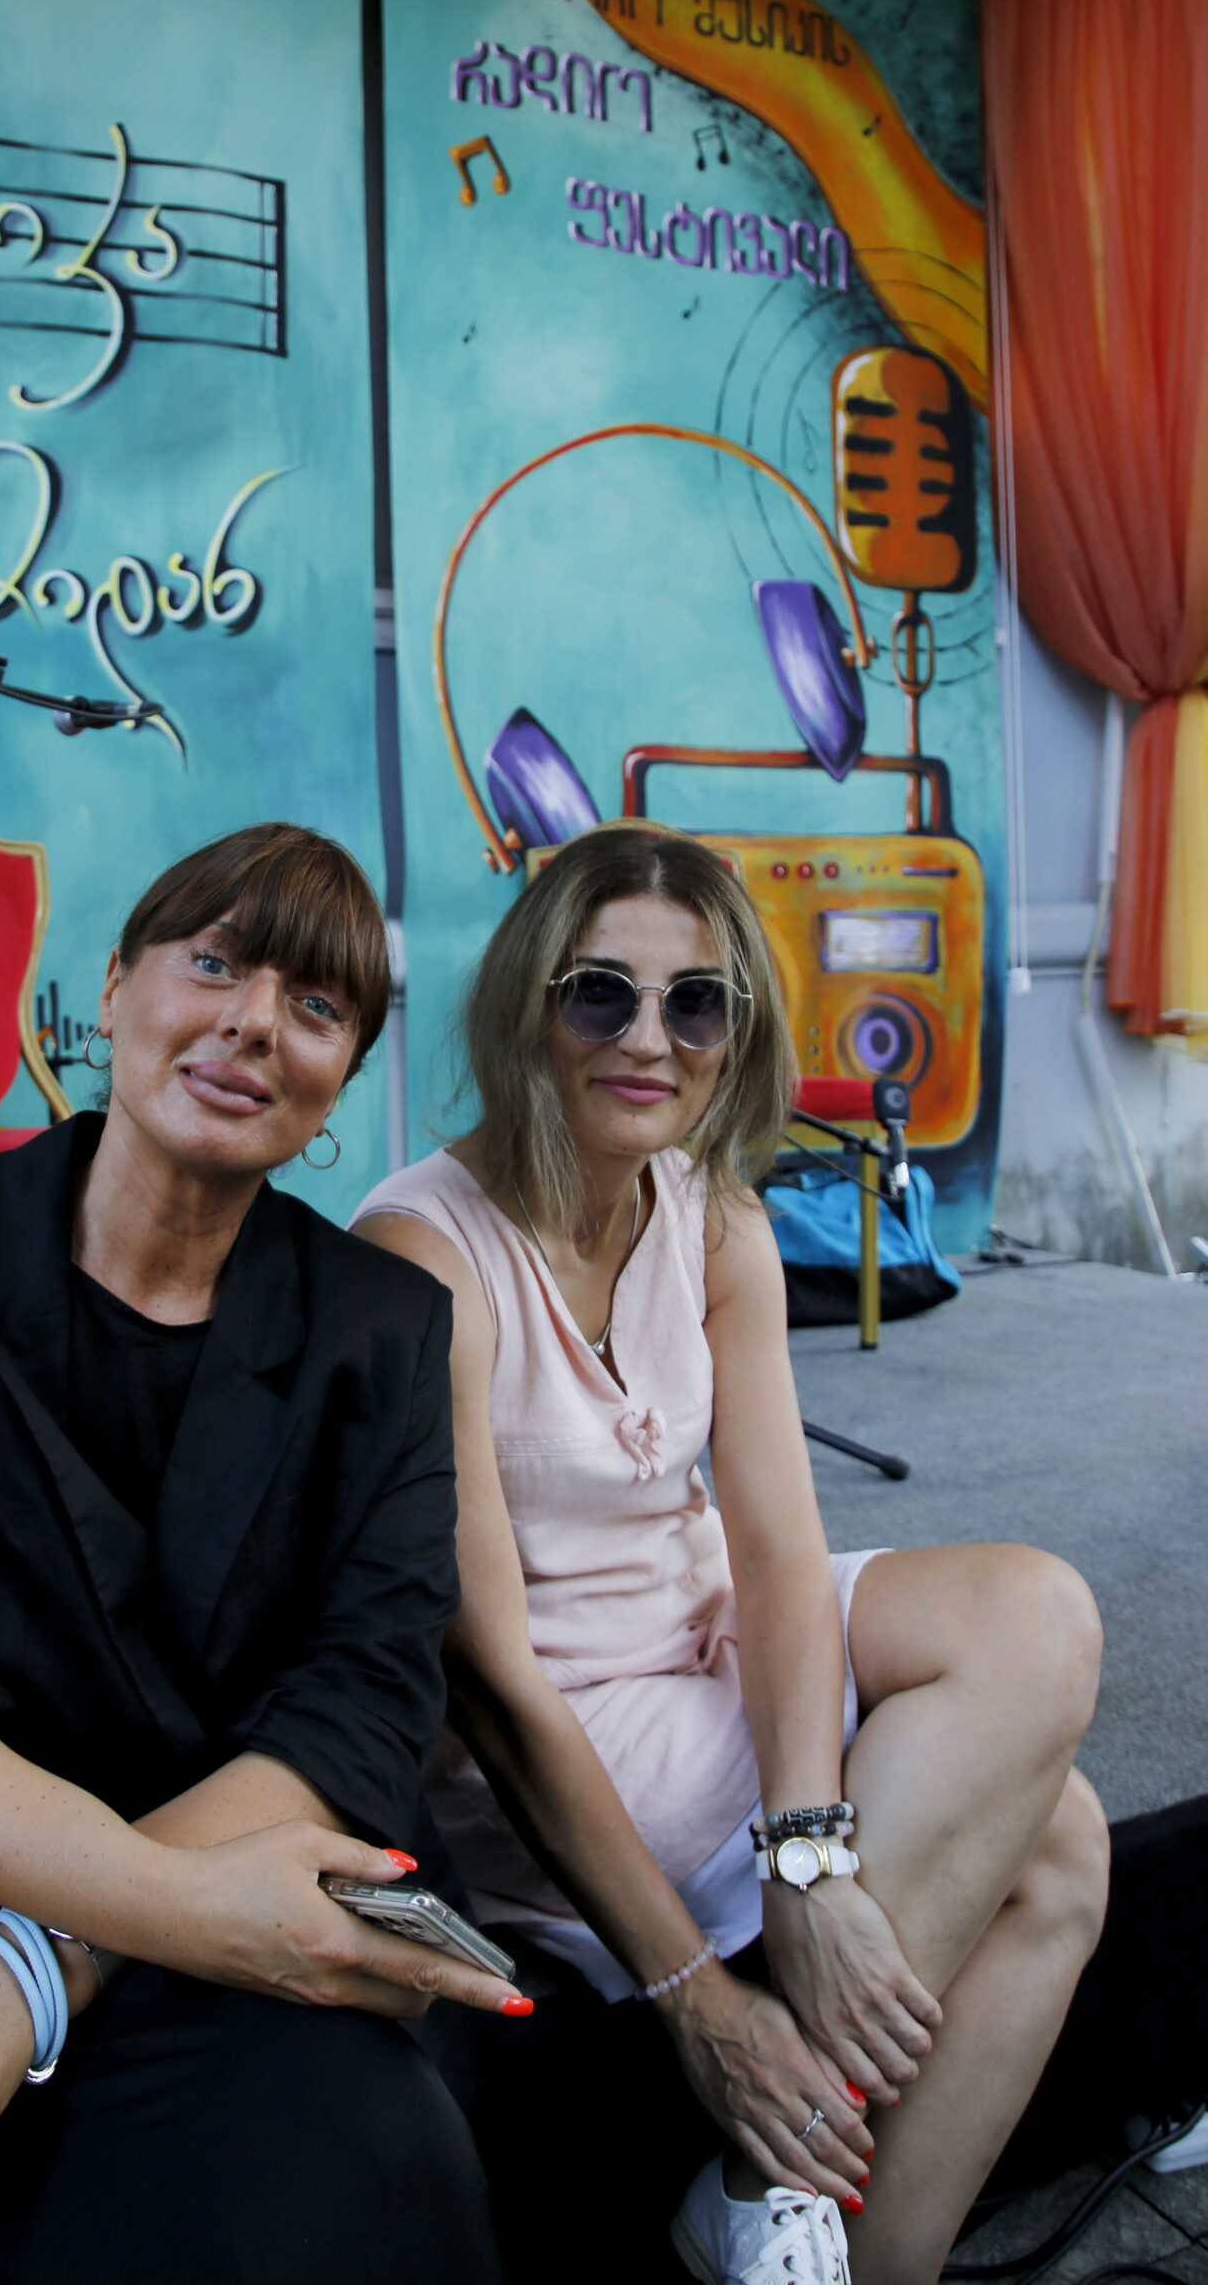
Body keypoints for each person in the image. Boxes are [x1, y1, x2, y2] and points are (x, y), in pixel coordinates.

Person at [0, 822, 526, 2285]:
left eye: (315, 1006)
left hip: (248, 1857)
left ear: (342, 1076)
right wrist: (89, 1935)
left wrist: (49, 1963)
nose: (252, 1023)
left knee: (367, 2169)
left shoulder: (384, 1329)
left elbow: (360, 1705)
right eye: (212, 964)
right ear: (115, 986)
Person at [353, 825, 1109, 2285]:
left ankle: (781, 2207)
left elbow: (775, 1554)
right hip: (573, 1733)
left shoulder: (713, 1218)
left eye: (695, 1002)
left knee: (1038, 1616)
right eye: (602, 994)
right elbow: (491, 1681)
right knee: (1060, 1839)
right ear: (527, 1004)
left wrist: (809, 1857)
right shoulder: (426, 1253)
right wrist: (693, 1989)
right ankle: (780, 2207)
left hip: (705, 1646)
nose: (651, 1039)